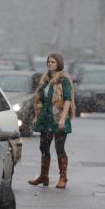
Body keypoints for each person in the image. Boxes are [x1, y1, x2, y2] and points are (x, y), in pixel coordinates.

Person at [28, 53, 75, 189]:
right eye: (49, 61)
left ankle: (63, 178)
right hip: (46, 119)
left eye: (53, 62)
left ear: (59, 63)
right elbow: (41, 100)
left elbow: (67, 100)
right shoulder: (46, 79)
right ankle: (44, 176)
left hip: (58, 118)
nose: (50, 64)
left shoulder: (64, 80)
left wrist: (62, 118)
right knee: (43, 147)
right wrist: (37, 115)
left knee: (59, 148)